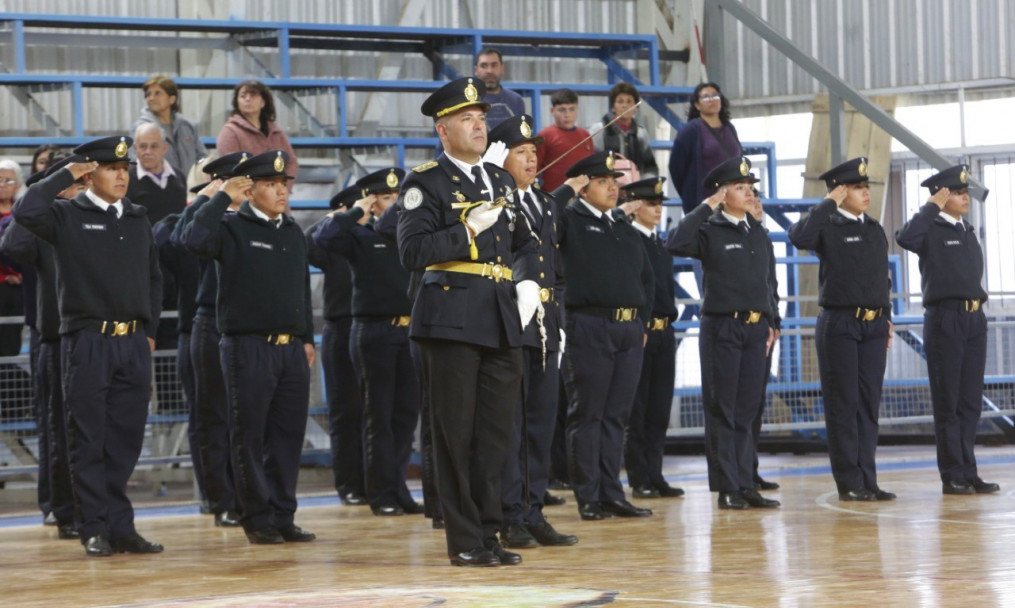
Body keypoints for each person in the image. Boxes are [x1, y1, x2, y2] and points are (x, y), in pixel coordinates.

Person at [396, 76, 540, 567]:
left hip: (500, 316)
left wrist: (526, 283)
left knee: (496, 434)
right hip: (451, 319)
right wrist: (465, 229)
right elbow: (412, 251)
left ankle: (490, 531)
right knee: (456, 434)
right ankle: (464, 541)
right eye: (467, 120)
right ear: (443, 130)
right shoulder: (425, 182)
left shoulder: (501, 180)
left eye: (481, 119)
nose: (479, 127)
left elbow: (523, 243)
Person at [14, 135, 164, 557]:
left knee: (125, 438)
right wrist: (66, 172)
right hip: (88, 341)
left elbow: (154, 278)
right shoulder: (66, 214)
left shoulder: (137, 217)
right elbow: (26, 211)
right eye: (111, 168)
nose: (121, 175)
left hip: (132, 342)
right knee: (88, 438)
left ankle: (121, 525)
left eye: (125, 169)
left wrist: (148, 329)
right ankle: (93, 526)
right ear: (90, 172)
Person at [184, 151, 316, 544]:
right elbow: (193, 239)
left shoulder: (291, 230)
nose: (281, 191)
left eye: (283, 185)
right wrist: (222, 195)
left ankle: (282, 513)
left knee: (286, 436)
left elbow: (301, 292)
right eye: (272, 185)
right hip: (247, 345)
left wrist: (306, 337)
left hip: (290, 348)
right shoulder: (230, 226)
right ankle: (257, 517)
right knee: (250, 434)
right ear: (250, 189)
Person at [484, 115, 579, 549]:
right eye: (520, 152)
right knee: (512, 426)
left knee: (541, 423)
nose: (530, 159)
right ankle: (508, 513)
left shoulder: (545, 203)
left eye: (533, 152)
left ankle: (533, 508)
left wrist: (555, 308)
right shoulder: (491, 201)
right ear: (500, 157)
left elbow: (554, 269)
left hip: (545, 327)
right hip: (509, 324)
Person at [665, 157, 779, 510]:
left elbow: (768, 280)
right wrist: (705, 207)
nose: (749, 193)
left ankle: (746, 482)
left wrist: (772, 321)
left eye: (750, 187)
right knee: (724, 408)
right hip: (723, 326)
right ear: (723, 193)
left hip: (756, 327)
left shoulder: (757, 230)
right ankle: (728, 486)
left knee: (748, 409)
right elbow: (675, 242)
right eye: (741, 187)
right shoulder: (709, 229)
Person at [313, 167, 424, 517]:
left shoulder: (409, 237)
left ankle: (399, 487)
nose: (394, 205)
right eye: (386, 199)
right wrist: (355, 212)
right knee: (378, 415)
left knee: (404, 417)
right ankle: (381, 493)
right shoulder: (358, 237)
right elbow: (322, 238)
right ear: (374, 202)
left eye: (397, 198)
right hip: (372, 331)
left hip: (408, 331)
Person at [787, 157, 896, 503]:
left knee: (868, 404)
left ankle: (868, 479)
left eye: (866, 188)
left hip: (874, 323)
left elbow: (882, 279)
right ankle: (849, 481)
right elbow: (798, 236)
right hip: (840, 323)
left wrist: (888, 316)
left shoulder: (874, 229)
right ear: (841, 191)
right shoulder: (827, 226)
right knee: (844, 404)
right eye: (858, 188)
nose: (866, 193)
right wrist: (827, 202)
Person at [556, 151, 654, 521]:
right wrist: (567, 189)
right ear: (583, 188)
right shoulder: (568, 220)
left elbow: (646, 278)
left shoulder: (623, 227)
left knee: (616, 415)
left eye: (614, 181)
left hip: (628, 330)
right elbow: (543, 216)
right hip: (589, 325)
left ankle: (612, 492)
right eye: (601, 182)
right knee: (589, 413)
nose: (612, 187)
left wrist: (641, 322)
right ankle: (589, 496)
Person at [895, 165, 999, 496]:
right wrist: (930, 208)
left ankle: (969, 472)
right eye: (955, 192)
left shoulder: (967, 230)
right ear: (940, 198)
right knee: (949, 402)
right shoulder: (929, 229)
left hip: (973, 320)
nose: (964, 196)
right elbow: (904, 237)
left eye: (964, 191)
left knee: (970, 403)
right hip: (945, 319)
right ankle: (952, 474)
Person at [0, 154, 85, 541]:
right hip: (49, 334)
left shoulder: (91, 221)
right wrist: (45, 193)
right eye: (73, 184)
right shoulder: (39, 223)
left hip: (86, 335)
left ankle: (87, 506)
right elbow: (11, 243)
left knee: (86, 427)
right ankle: (58, 506)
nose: (79, 192)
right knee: (54, 428)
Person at [171, 153, 249, 526]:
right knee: (211, 417)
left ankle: (246, 494)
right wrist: (207, 200)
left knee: (244, 419)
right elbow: (177, 241)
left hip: (240, 325)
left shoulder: (251, 223)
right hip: (200, 327)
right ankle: (218, 498)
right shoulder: (191, 221)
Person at [619, 177, 685, 501]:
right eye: (650, 203)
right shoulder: (630, 240)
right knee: (639, 410)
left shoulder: (659, 243)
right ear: (635, 206)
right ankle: (639, 477)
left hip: (664, 331)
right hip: (643, 332)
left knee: (659, 410)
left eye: (660, 203)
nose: (657, 209)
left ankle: (655, 474)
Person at [305, 185, 366, 507]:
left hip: (369, 325)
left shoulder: (371, 238)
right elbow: (309, 242)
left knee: (374, 411)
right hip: (341, 328)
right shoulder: (333, 241)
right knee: (345, 412)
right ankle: (349, 484)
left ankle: (376, 481)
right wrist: (337, 217)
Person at [747, 190, 781, 492]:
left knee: (756, 404)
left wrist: (775, 321)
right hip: (739, 329)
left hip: (764, 328)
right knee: (739, 407)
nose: (757, 205)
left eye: (759, 201)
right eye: (752, 200)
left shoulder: (763, 239)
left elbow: (772, 287)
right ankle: (739, 474)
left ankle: (751, 468)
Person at [668, 82, 743, 215]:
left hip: (732, 201)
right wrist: (689, 195)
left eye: (715, 96)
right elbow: (676, 168)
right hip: (704, 204)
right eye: (706, 97)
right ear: (697, 105)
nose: (712, 100)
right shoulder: (690, 131)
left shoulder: (729, 128)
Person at [216, 80, 298, 183]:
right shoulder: (230, 131)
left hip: (276, 195)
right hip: (245, 195)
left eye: (253, 95)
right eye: (243, 96)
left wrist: (283, 187)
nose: (247, 99)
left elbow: (291, 162)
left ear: (263, 102)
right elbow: (230, 169)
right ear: (237, 102)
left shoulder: (276, 132)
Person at [134, 75, 207, 178]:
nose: (151, 98)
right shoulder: (141, 129)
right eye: (148, 94)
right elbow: (135, 162)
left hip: (191, 189)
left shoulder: (187, 126)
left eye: (157, 93)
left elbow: (202, 157)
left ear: (172, 99)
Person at [589, 82, 658, 177]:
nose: (625, 106)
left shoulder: (641, 133)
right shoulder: (599, 130)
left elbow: (650, 166)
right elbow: (592, 164)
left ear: (636, 107)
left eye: (629, 101)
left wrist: (643, 185)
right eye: (620, 101)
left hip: (634, 188)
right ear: (613, 107)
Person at [127, 123, 188, 224]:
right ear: (135, 148)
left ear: (164, 148)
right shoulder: (126, 178)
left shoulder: (179, 177)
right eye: (143, 146)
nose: (148, 151)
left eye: (154, 146)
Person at [535, 88, 595, 192]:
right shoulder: (544, 136)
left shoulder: (585, 136)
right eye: (561, 110)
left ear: (577, 109)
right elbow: (535, 168)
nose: (567, 115)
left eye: (572, 109)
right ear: (552, 111)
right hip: (553, 196)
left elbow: (591, 167)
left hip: (582, 196)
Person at [0, 158, 25, 356]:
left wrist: (22, 273)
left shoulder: (23, 212)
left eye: (8, 180)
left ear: (17, 185)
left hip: (20, 287)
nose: (2, 184)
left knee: (11, 341)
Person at [474, 48, 526, 130]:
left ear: (502, 69)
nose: (489, 71)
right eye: (484, 66)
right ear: (476, 70)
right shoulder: (467, 101)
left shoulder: (516, 100)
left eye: (494, 65)